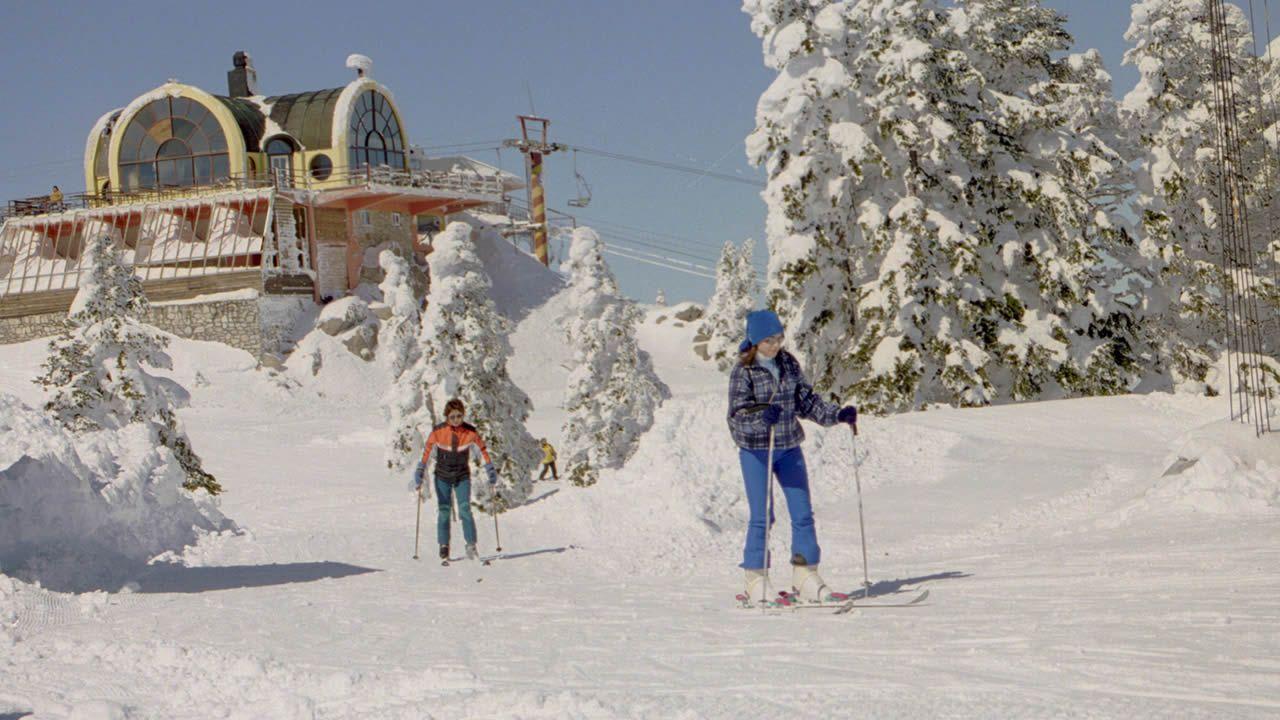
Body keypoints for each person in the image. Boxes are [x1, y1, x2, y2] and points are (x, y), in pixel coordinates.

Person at [726, 310, 858, 604]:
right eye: (768, 341)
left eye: (778, 339)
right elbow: (736, 416)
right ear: (755, 341)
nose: (775, 345)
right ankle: (756, 579)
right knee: (762, 515)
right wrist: (762, 416)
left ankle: (805, 575)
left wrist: (836, 414)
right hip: (756, 450)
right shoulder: (743, 372)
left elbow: (806, 401)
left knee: (802, 512)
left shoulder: (787, 364)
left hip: (788, 446)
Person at [413, 397, 499, 561]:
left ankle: (471, 545)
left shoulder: (470, 432)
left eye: (459, 416)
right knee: (444, 510)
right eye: (452, 417)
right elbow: (427, 451)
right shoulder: (438, 432)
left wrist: (489, 468)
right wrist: (420, 469)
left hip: (462, 476)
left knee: (465, 509)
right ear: (446, 417)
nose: (456, 420)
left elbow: (483, 450)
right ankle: (444, 545)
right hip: (442, 476)